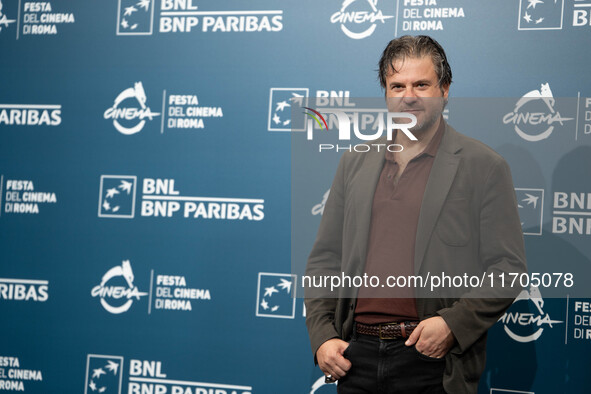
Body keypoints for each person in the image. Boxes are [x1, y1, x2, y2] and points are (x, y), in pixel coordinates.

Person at [304, 35, 527, 394]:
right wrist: (322, 336)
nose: (409, 96)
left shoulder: (483, 166)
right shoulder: (354, 161)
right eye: (398, 86)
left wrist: (453, 325)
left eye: (421, 84)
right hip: (355, 358)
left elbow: (508, 268)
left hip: (434, 361)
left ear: (445, 89)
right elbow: (325, 259)